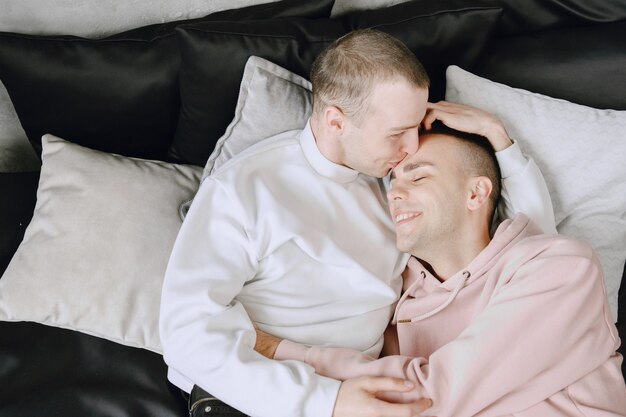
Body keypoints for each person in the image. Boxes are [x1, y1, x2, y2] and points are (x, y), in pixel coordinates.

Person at [159, 29, 556, 417]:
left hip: (370, 379)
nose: (413, 147)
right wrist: (327, 403)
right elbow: (186, 332)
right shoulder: (243, 190)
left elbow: (528, 248)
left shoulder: (397, 183)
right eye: (398, 133)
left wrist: (497, 137)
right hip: (265, 389)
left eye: (417, 127)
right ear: (336, 122)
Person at [262, 122, 626, 416]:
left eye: (418, 178)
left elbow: (425, 397)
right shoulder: (396, 301)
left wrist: (274, 349)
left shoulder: (560, 266)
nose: (395, 194)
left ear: (475, 194)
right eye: (392, 182)